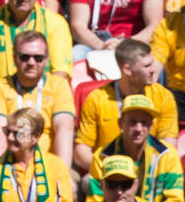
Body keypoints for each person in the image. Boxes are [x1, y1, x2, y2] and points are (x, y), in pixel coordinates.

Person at [73, 36, 178, 173]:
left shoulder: (164, 97)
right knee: (87, 182)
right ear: (127, 69)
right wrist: (113, 171)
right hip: (108, 174)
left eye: (152, 64)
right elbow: (81, 152)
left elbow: (168, 146)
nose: (154, 70)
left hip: (148, 172)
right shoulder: (97, 98)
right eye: (147, 66)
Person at [86, 95, 184, 202]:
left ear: (152, 125)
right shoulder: (102, 157)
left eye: (144, 123)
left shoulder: (167, 156)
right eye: (132, 122)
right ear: (120, 123)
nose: (138, 129)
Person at [0, 30, 75, 169]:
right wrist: (3, 173)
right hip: (11, 164)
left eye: (38, 58)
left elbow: (65, 129)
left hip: (49, 165)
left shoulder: (59, 85)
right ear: (14, 58)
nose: (31, 62)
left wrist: (61, 174)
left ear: (46, 60)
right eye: (25, 57)